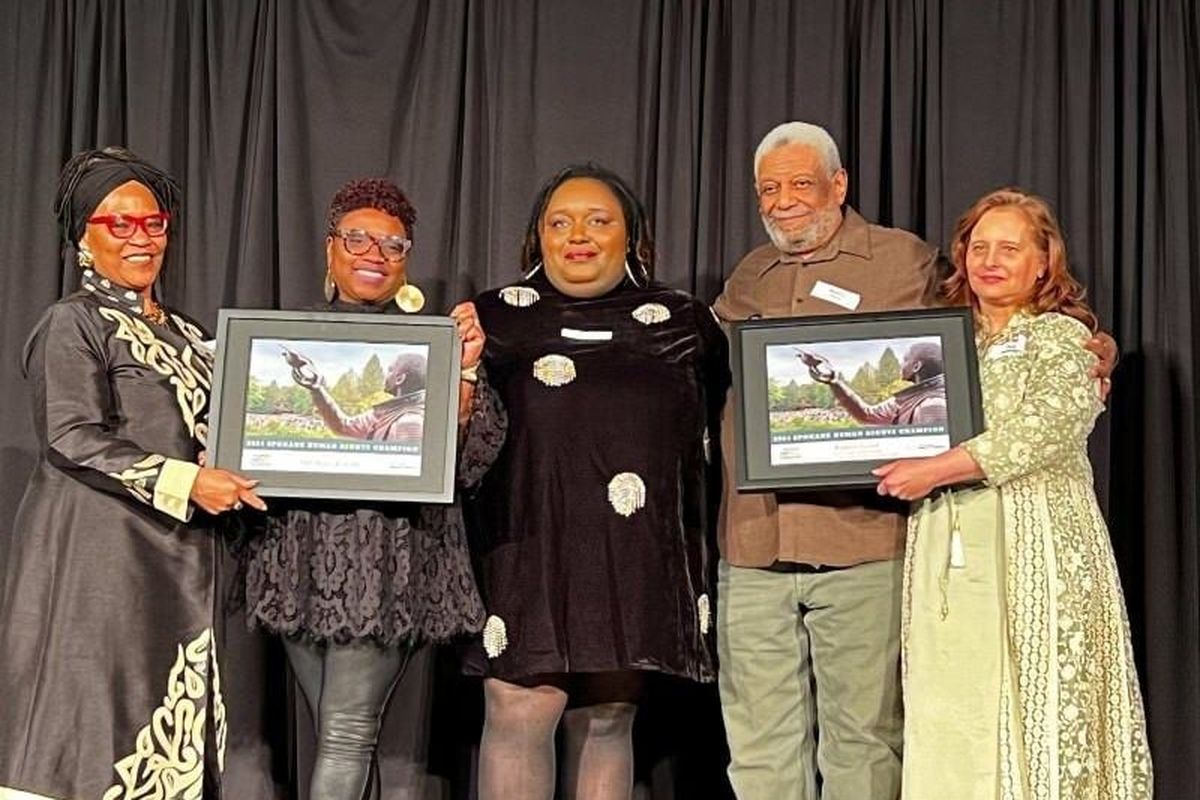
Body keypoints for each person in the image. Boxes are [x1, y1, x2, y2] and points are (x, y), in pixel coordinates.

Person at [711, 122, 1118, 799]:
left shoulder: (903, 261)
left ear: (838, 185)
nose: (783, 201)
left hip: (864, 542)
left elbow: (993, 322)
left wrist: (1091, 344)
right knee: (756, 746)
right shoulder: (748, 274)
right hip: (753, 545)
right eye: (768, 189)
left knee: (864, 743)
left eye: (800, 183)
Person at [0, 147, 265, 800]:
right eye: (118, 223)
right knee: (96, 734)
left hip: (186, 565)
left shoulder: (190, 333)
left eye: (153, 222)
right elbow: (70, 437)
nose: (140, 237)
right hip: (105, 568)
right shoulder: (73, 324)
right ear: (82, 237)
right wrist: (186, 481)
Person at [873, 188, 1152, 799]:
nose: (990, 260)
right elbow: (885, 409)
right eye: (978, 247)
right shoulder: (941, 342)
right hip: (944, 541)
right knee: (949, 700)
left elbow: (1047, 426)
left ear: (1044, 262)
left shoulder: (1060, 337)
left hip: (1039, 544)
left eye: (1009, 247)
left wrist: (938, 468)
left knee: (1040, 700)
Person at [467, 164, 730, 800]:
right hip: (525, 548)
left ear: (632, 237)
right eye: (560, 222)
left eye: (597, 220)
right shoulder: (492, 319)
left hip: (633, 556)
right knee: (519, 709)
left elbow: (720, 440)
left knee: (608, 718)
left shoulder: (685, 322)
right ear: (538, 237)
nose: (577, 235)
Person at [240, 178, 506, 800]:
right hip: (299, 561)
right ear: (330, 247)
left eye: (392, 244)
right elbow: (341, 426)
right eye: (357, 238)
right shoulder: (290, 335)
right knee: (339, 731)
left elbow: (470, 461)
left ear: (406, 259)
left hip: (387, 564)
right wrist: (308, 384)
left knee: (345, 734)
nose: (374, 253)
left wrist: (464, 371)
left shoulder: (438, 349)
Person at [283, 347, 427, 443]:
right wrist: (317, 389)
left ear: (399, 379)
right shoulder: (386, 413)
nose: (385, 375)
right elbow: (344, 426)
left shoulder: (410, 423)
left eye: (390, 370)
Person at [797, 341, 948, 425]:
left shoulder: (933, 405)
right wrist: (834, 381)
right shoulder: (910, 399)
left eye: (905, 360)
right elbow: (867, 415)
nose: (900, 365)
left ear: (916, 367)